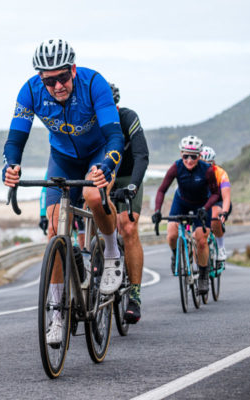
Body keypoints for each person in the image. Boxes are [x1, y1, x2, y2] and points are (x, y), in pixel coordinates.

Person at [2, 39, 125, 345]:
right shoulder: (29, 91)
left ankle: (111, 252)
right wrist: (11, 166)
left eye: (62, 78)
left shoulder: (94, 83)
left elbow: (114, 136)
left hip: (98, 152)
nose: (57, 86)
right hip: (62, 160)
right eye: (49, 81)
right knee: (56, 229)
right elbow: (15, 139)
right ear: (40, 78)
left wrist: (107, 167)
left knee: (95, 197)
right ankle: (57, 312)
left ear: (73, 69)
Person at [151, 136, 220, 295]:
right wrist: (157, 211)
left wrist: (206, 207)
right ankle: (176, 255)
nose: (189, 160)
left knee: (201, 240)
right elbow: (162, 190)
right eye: (185, 156)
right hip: (181, 202)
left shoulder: (207, 170)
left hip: (202, 205)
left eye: (193, 156)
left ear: (199, 156)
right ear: (181, 154)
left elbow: (215, 194)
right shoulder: (176, 167)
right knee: (171, 235)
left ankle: (203, 275)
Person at [108, 83, 149, 324]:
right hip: (105, 175)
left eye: (110, 106)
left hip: (127, 175)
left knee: (128, 226)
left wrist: (133, 186)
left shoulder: (128, 117)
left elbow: (142, 155)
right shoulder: (91, 122)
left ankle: (134, 294)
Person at [200, 146, 232, 261]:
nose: (205, 167)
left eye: (208, 164)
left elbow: (226, 197)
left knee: (214, 216)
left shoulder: (221, 173)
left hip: (219, 201)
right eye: (202, 163)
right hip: (202, 201)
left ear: (213, 162)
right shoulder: (194, 172)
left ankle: (221, 246)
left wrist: (225, 212)